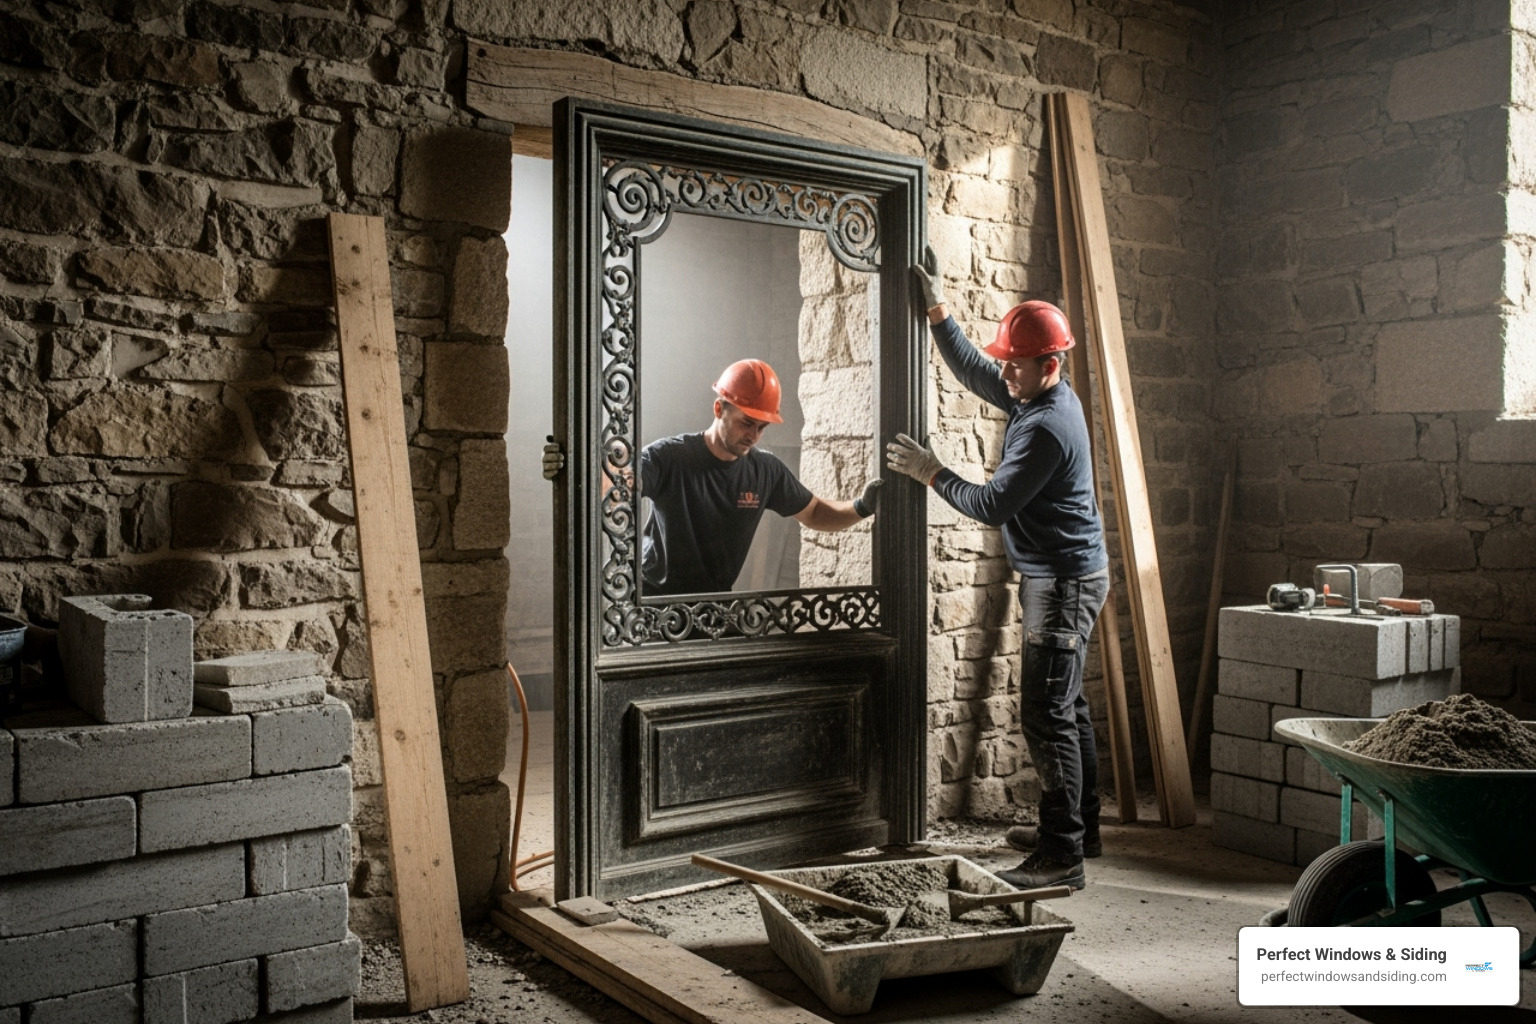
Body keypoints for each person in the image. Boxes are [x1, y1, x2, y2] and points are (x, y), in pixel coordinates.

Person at [886, 248, 1109, 891]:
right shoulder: (1032, 393)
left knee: (1046, 714)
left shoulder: (1045, 427)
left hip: (1063, 583)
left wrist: (931, 471)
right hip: (1066, 575)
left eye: (1017, 364)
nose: (1006, 373)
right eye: (1008, 362)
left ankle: (1062, 857)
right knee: (1070, 708)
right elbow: (978, 371)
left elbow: (990, 504)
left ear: (1052, 363)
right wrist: (937, 313)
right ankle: (1081, 829)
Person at [633, 358, 882, 596]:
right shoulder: (669, 457)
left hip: (713, 609)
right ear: (719, 408)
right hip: (653, 604)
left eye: (762, 427)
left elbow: (814, 511)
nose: (753, 436)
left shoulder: (765, 470)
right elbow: (618, 485)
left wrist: (862, 507)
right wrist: (614, 467)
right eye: (747, 423)